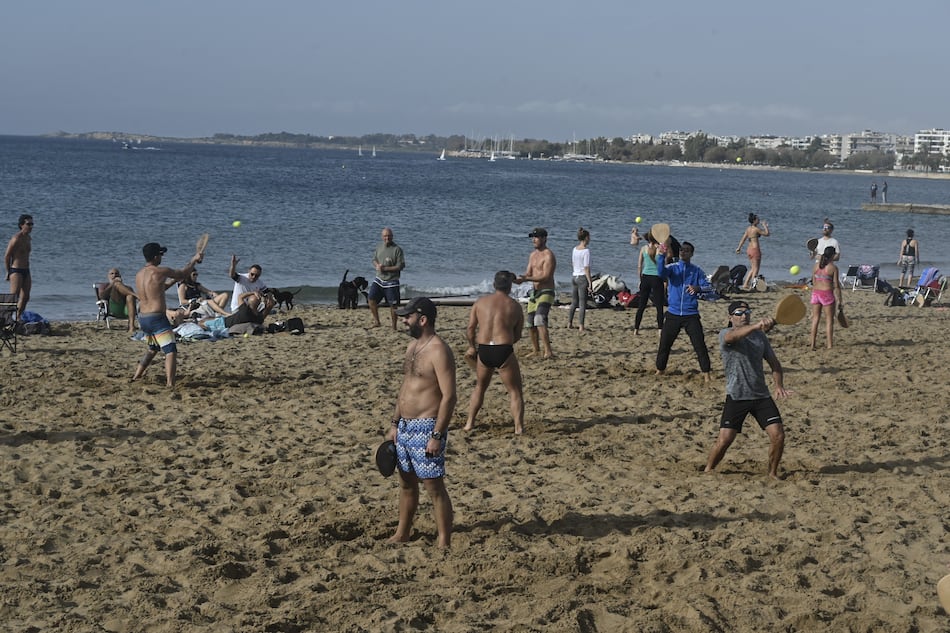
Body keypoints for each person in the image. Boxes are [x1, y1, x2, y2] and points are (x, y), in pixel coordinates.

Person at [385, 297, 457, 548]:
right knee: (406, 483)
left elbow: (449, 396)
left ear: (423, 319)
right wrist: (394, 423)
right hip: (404, 426)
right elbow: (406, 387)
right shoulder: (413, 347)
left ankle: (444, 540)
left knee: (433, 486)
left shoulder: (439, 350)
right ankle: (402, 533)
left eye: (408, 316)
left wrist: (437, 435)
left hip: (427, 427)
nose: (404, 320)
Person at [704, 300, 789, 480]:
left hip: (761, 396)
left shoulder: (760, 337)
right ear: (730, 317)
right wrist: (757, 326)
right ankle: (708, 469)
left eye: (746, 312)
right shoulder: (725, 334)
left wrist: (779, 385)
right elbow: (732, 338)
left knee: (778, 435)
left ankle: (772, 473)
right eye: (738, 313)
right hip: (737, 395)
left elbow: (774, 364)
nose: (744, 315)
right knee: (725, 440)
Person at [131, 242, 203, 387]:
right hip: (157, 317)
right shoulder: (160, 271)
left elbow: (158, 289)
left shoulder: (139, 275)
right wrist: (194, 259)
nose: (162, 257)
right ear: (156, 256)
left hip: (143, 318)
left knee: (153, 349)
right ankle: (170, 384)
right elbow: (183, 273)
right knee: (170, 350)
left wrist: (172, 281)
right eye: (161, 254)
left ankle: (136, 376)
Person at [463, 271, 525, 434]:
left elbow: (470, 329)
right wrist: (505, 346)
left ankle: (470, 423)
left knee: (480, 387)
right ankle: (518, 427)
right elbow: (517, 335)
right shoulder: (515, 306)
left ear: (494, 284)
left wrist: (471, 347)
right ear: (510, 286)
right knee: (515, 391)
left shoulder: (480, 302)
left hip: (484, 349)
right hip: (503, 348)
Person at [655, 240, 711, 382]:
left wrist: (697, 288)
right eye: (681, 249)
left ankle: (706, 372)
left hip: (691, 314)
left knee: (699, 345)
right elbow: (661, 273)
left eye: (686, 250)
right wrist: (660, 255)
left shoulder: (697, 270)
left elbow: (709, 287)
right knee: (665, 344)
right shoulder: (673, 268)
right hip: (673, 313)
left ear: (691, 254)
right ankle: (660, 369)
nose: (683, 252)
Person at [516, 227, 557, 359]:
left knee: (540, 319)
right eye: (533, 237)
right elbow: (528, 273)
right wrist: (519, 279)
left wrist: (526, 278)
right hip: (535, 292)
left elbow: (546, 276)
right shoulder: (532, 255)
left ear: (544, 238)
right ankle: (535, 350)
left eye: (536, 237)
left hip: (547, 291)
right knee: (530, 323)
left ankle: (548, 351)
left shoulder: (548, 255)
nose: (534, 240)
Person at [368, 227, 405, 330]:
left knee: (393, 305)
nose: (387, 238)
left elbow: (400, 266)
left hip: (392, 281)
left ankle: (394, 327)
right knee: (371, 299)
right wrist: (377, 265)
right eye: (385, 236)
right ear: (382, 237)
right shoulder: (379, 247)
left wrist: (385, 268)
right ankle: (377, 322)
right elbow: (374, 259)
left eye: (389, 236)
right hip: (379, 279)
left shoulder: (397, 250)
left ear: (392, 236)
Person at [809, 246, 843, 350]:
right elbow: (836, 285)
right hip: (827, 294)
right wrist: (840, 299)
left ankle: (812, 344)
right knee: (829, 320)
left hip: (816, 293)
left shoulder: (816, 266)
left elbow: (814, 281)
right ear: (833, 255)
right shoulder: (833, 268)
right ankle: (829, 345)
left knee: (815, 319)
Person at [634, 231, 665, 336]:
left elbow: (639, 266)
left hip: (645, 277)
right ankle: (660, 329)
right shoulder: (660, 249)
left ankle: (636, 329)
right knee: (659, 306)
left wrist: (640, 279)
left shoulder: (643, 249)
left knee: (641, 305)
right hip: (657, 278)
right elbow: (663, 264)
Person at [4, 214, 33, 315]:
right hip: (16, 271)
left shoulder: (28, 238)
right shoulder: (16, 239)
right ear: (21, 225)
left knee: (26, 297)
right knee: (14, 297)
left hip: (26, 270)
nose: (31, 227)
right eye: (28, 224)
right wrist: (9, 272)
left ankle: (18, 317)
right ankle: (6, 317)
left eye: (32, 224)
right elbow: (7, 256)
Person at [735, 212, 770, 290]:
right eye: (757, 219)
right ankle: (753, 285)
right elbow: (767, 234)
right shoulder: (756, 229)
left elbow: (743, 238)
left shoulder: (748, 229)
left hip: (749, 250)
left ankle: (745, 284)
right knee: (756, 269)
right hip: (755, 250)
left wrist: (739, 248)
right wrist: (765, 226)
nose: (759, 220)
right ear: (754, 221)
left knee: (752, 268)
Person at [99, 268, 138, 333]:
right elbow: (102, 296)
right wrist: (113, 284)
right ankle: (136, 295)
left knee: (130, 296)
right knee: (117, 285)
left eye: (116, 274)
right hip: (113, 308)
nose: (114, 275)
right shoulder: (104, 286)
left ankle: (131, 327)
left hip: (126, 310)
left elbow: (133, 301)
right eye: (112, 274)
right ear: (108, 276)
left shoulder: (128, 288)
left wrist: (120, 285)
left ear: (120, 276)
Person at [568, 227, 592, 332]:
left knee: (574, 302)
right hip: (582, 277)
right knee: (582, 303)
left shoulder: (575, 249)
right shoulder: (586, 251)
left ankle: (569, 322)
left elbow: (573, 263)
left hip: (574, 276)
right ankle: (581, 325)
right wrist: (590, 282)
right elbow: (586, 267)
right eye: (589, 237)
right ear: (586, 238)